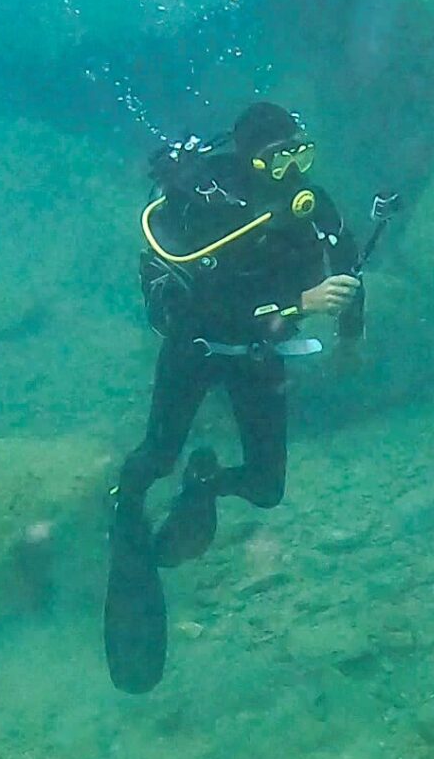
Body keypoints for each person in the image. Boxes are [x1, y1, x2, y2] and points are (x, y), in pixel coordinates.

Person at [111, 101, 361, 573]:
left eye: (300, 156)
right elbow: (205, 310)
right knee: (157, 456)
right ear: (249, 159)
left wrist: (350, 339)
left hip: (259, 355)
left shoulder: (310, 203)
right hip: (196, 350)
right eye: (278, 158)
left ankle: (204, 483)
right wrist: (300, 304)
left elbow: (349, 269)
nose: (291, 172)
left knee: (268, 489)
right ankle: (124, 514)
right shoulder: (215, 211)